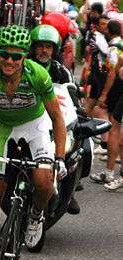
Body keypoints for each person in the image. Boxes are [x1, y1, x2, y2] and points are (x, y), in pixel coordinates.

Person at [0, 25, 67, 260]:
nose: (9, 61)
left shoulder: (39, 75)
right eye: (4, 55)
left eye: (16, 56)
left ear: (24, 57)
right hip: (2, 129)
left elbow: (56, 117)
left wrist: (59, 157)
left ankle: (35, 216)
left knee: (45, 183)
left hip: (35, 128)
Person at [29, 23, 81, 215]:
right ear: (33, 47)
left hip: (55, 121)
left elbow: (73, 95)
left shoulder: (61, 70)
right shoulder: (22, 67)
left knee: (82, 145)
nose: (44, 50)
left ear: (54, 49)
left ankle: (71, 190)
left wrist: (80, 111)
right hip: (26, 121)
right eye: (40, 45)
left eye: (48, 46)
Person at [91, 19, 123, 184]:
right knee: (116, 130)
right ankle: (111, 171)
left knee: (114, 131)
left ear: (109, 31)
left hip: (116, 89)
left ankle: (110, 171)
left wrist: (104, 94)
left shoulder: (113, 48)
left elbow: (112, 72)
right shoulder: (120, 45)